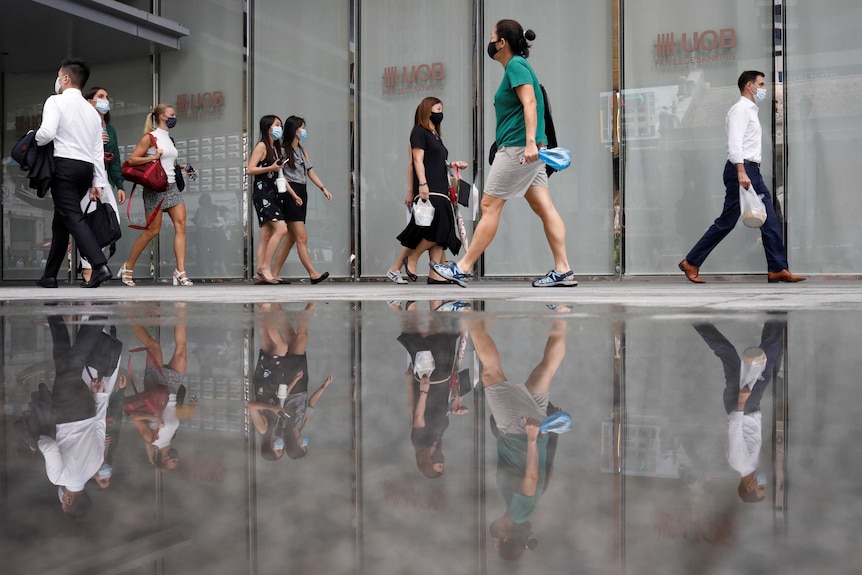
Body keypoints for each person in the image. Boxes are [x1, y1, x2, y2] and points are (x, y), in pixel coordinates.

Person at [432, 20, 576, 288]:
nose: (490, 41)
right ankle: (564, 270)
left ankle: (463, 268)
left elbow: (530, 102)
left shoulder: (516, 66)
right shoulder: (517, 67)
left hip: (519, 149)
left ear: (502, 43)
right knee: (544, 207)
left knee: (489, 206)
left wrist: (530, 143)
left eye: (492, 37)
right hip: (525, 148)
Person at [679, 71, 806, 284]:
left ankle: (777, 268)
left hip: (750, 170)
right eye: (762, 84)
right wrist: (740, 170)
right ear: (750, 86)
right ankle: (691, 261)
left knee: (762, 217)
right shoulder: (740, 110)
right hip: (743, 169)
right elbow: (735, 143)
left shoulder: (751, 111)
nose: (764, 88)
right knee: (733, 221)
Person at [466, 315, 568, 560]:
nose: (492, 538)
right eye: (494, 543)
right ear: (505, 537)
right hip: (519, 430)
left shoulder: (522, 512)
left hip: (530, 429)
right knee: (491, 374)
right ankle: (468, 317)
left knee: (547, 368)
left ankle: (563, 314)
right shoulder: (518, 513)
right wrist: (532, 438)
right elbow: (531, 476)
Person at [13, 315, 119, 517]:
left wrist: (100, 396)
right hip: (67, 412)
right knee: (72, 365)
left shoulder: (95, 466)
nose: (61, 499)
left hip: (87, 409)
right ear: (68, 500)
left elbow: (99, 428)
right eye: (63, 502)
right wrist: (36, 442)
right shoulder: (59, 477)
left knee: (63, 363)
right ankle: (97, 318)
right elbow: (49, 446)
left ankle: (55, 314)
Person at [35, 58, 113, 289]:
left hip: (64, 167)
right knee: (62, 221)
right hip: (85, 170)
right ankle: (49, 276)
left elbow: (47, 133)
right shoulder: (91, 112)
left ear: (66, 78)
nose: (57, 80)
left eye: (59, 76)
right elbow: (97, 149)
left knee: (72, 218)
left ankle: (99, 266)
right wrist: (98, 181)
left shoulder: (55, 101)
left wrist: (33, 137)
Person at [693, 319, 786, 503]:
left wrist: (741, 403)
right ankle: (697, 321)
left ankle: (777, 314)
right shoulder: (749, 464)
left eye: (761, 488)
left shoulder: (740, 463)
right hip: (743, 405)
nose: (763, 483)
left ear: (750, 486)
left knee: (768, 358)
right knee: (727, 353)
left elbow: (734, 432)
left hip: (745, 405)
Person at [389, 97, 468, 285]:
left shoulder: (436, 136)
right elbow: (416, 161)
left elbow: (437, 161)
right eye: (438, 108)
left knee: (436, 230)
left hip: (441, 186)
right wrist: (420, 185)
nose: (441, 113)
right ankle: (413, 258)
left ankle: (435, 273)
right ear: (427, 110)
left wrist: (453, 164)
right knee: (438, 227)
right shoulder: (419, 133)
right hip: (429, 187)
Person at [119, 103, 195, 286]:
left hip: (172, 186)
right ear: (162, 116)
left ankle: (180, 270)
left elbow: (169, 163)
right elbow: (132, 160)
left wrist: (184, 167)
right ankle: (127, 267)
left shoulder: (169, 139)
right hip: (155, 188)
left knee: (181, 225)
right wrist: (152, 157)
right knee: (152, 231)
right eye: (172, 114)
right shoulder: (150, 138)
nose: (174, 117)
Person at [396, 303, 471, 477]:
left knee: (431, 338)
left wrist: (422, 391)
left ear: (427, 463)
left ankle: (417, 304)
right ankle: (423, 303)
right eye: (442, 464)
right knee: (432, 336)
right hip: (438, 382)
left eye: (437, 464)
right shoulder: (436, 441)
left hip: (432, 381)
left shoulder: (421, 442)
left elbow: (417, 414)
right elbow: (417, 411)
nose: (440, 460)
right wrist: (454, 409)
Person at [126, 305, 192, 470]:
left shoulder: (152, 439)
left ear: (163, 460)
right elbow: (173, 413)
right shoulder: (172, 436)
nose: (176, 459)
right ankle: (180, 307)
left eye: (173, 461)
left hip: (156, 389)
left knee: (153, 346)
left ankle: (129, 310)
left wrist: (155, 420)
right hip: (172, 391)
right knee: (182, 351)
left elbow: (134, 417)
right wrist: (188, 408)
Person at [272, 116, 331, 284]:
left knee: (291, 238)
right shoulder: (283, 150)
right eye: (301, 128)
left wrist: (323, 188)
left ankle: (274, 273)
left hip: (302, 192)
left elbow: (310, 171)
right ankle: (313, 273)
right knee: (302, 237)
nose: (303, 131)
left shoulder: (302, 150)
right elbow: (281, 176)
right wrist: (293, 195)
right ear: (294, 130)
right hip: (291, 194)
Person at [80, 86, 126, 284]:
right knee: (88, 223)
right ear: (90, 101)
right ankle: (88, 269)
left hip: (104, 180)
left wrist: (120, 184)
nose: (105, 100)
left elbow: (115, 159)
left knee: (110, 222)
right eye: (100, 96)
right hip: (86, 179)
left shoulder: (110, 129)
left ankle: (97, 262)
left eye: (107, 96)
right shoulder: (82, 124)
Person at [246, 115, 288, 284]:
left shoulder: (276, 148)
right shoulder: (262, 146)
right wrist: (271, 167)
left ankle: (259, 273)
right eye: (276, 124)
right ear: (268, 127)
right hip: (263, 193)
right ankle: (265, 268)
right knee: (281, 229)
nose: (279, 128)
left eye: (280, 125)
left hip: (274, 192)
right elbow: (250, 169)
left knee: (266, 234)